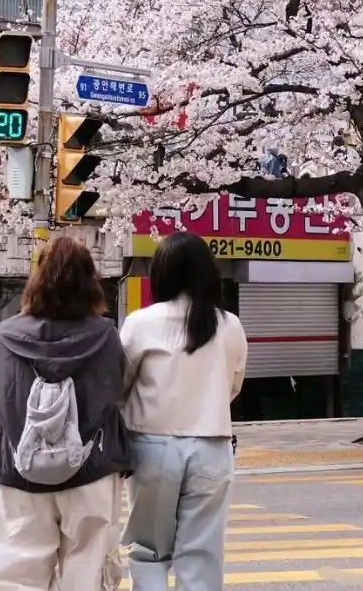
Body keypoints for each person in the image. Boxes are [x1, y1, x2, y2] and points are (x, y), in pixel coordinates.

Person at [0, 237, 129, 591]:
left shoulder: (1, 339)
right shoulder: (107, 338)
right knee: (88, 575)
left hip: (15, 472)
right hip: (91, 471)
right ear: (91, 283)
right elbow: (115, 392)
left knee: (12, 575)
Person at [121, 231, 249, 590]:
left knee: (149, 551)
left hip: (152, 447)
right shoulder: (229, 325)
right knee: (202, 555)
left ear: (161, 273)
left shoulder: (140, 323)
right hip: (212, 447)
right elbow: (233, 386)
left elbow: (119, 385)